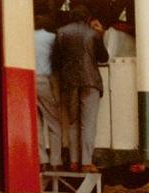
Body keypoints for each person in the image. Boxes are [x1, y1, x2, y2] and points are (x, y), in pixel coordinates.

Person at [52, 5, 108, 173]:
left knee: (73, 122)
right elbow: (104, 57)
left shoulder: (60, 32)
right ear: (87, 19)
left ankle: (74, 161)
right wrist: (101, 34)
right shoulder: (92, 33)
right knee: (88, 123)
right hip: (90, 82)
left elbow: (55, 61)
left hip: (69, 83)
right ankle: (86, 162)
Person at [33, 14, 61, 171]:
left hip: (29, 80)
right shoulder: (52, 38)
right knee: (53, 121)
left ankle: (41, 158)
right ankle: (56, 160)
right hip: (45, 80)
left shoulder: (27, 37)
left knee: (36, 122)